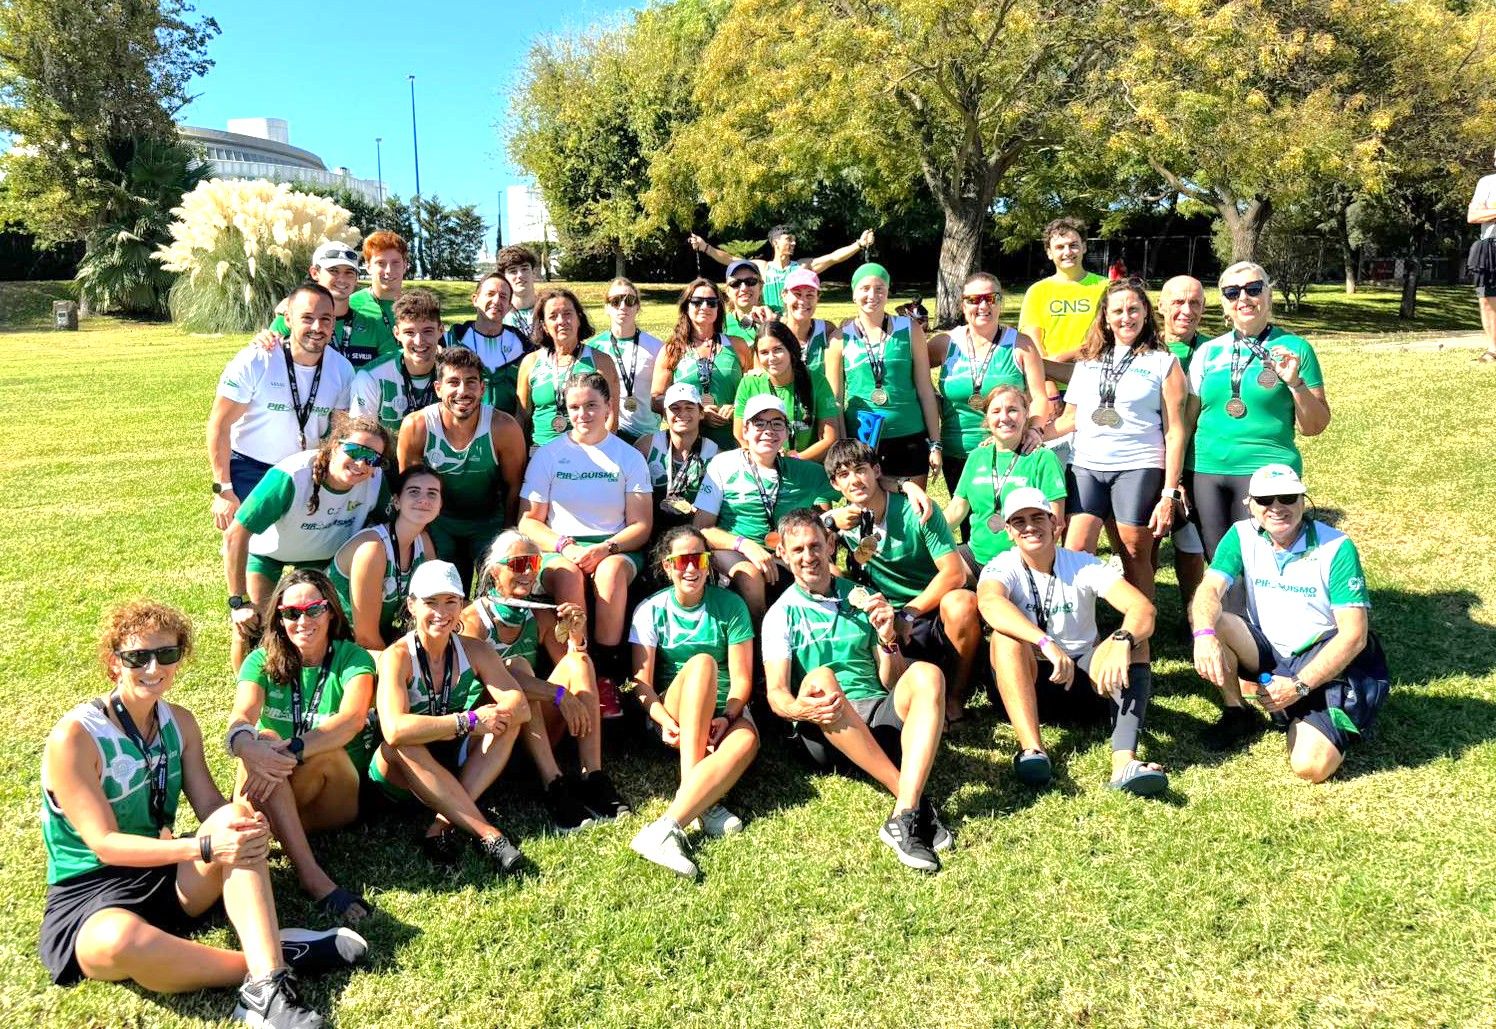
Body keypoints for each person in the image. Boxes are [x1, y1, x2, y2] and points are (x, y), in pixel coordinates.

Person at [39, 600, 366, 1026]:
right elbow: (105, 845)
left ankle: (265, 994)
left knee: (237, 821)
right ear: (114, 662)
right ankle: (274, 962)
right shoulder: (77, 736)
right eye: (138, 657)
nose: (154, 667)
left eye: (167, 654)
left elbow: (211, 807)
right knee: (122, 942)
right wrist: (207, 845)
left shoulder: (180, 723)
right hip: (89, 894)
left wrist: (250, 820)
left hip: (165, 875)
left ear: (181, 658)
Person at [762, 509, 951, 873]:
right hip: (826, 730)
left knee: (927, 673)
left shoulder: (862, 597)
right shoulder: (780, 615)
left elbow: (892, 680)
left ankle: (904, 813)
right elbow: (777, 695)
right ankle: (914, 804)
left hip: (877, 715)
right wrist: (804, 711)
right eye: (797, 549)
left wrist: (888, 638)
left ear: (831, 544)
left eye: (815, 545)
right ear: (783, 555)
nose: (808, 557)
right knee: (820, 679)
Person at [1189, 464, 1388, 775]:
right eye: (1266, 500)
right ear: (1250, 505)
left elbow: (1354, 636)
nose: (1277, 507)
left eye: (1288, 497)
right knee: (1216, 621)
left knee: (1311, 767)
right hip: (1271, 649)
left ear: (1303, 500)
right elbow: (1209, 590)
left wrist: (1298, 687)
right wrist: (1203, 635)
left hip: (1321, 655)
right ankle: (1236, 711)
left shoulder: (1336, 547)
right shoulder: (1241, 534)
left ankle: (1303, 706)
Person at [976, 488, 1166, 794]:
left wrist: (1123, 638)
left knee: (1137, 641)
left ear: (1055, 524)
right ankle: (1032, 751)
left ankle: (1124, 763)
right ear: (1010, 532)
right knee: (1004, 639)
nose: (1030, 527)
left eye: (1038, 517)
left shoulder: (1083, 564)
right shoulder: (1001, 565)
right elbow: (990, 604)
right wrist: (1044, 643)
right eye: (1019, 521)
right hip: (1031, 680)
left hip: (1086, 677)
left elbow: (1143, 608)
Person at [1050, 278, 1187, 667]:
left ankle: (1141, 639)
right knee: (1075, 551)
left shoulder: (1164, 363)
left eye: (1133, 309)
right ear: (1105, 319)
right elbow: (1070, 419)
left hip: (1139, 465)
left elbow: (1175, 431)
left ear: (1146, 313)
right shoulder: (1089, 363)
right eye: (1117, 311)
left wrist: (1169, 492)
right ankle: (1079, 636)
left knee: (1134, 552)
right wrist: (1032, 433)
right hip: (1087, 466)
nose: (1126, 317)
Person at [228, 571, 375, 924]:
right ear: (278, 618)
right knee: (258, 740)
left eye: (313, 609)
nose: (303, 620)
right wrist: (245, 744)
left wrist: (289, 750)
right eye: (291, 613)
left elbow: (351, 720)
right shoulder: (261, 660)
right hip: (275, 787)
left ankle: (310, 876)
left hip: (330, 794)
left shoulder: (352, 658)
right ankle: (303, 869)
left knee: (320, 749)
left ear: (331, 613)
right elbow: (242, 715)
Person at [371, 561, 531, 872]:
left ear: (462, 605)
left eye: (450, 602)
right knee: (403, 742)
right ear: (412, 605)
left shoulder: (476, 649)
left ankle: (443, 823)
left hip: (449, 758)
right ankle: (489, 834)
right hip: (402, 771)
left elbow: (520, 706)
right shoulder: (397, 657)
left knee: (506, 722)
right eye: (431, 602)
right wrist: (467, 722)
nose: (441, 613)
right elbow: (393, 730)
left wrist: (481, 720)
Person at [461, 532, 628, 831]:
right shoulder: (473, 621)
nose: (528, 572)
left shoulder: (539, 616)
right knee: (518, 668)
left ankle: (594, 776)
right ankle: (554, 784)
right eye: (520, 563)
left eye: (534, 563)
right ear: (494, 570)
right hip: (488, 737)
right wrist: (559, 694)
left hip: (532, 732)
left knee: (580, 660)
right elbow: (486, 686)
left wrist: (576, 635)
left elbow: (571, 666)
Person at [627, 526, 760, 876]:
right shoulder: (650, 610)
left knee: (747, 740)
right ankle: (699, 798)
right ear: (667, 566)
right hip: (674, 712)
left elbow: (742, 678)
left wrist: (730, 717)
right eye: (682, 560)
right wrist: (664, 721)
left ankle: (670, 824)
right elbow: (640, 683)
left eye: (699, 559)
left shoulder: (731, 605)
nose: (691, 568)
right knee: (701, 663)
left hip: (723, 713)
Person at [824, 440, 983, 725]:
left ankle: (954, 697)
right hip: (881, 614)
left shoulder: (917, 509)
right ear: (835, 485)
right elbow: (791, 539)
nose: (855, 480)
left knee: (962, 602)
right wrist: (828, 522)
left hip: (928, 609)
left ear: (876, 470)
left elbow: (954, 573)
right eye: (844, 475)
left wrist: (909, 612)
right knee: (833, 579)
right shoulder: (842, 522)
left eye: (861, 470)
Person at [519, 370, 654, 702]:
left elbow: (641, 525)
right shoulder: (548, 455)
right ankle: (577, 669)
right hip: (560, 545)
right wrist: (566, 546)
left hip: (615, 544)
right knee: (568, 574)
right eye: (575, 407)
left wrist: (606, 548)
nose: (583, 415)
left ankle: (604, 677)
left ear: (608, 407)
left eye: (592, 405)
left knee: (608, 573)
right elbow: (528, 521)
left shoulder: (628, 456)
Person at [1187, 262, 1331, 557]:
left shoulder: (1295, 348)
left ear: (1268, 295)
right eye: (1232, 292)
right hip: (1206, 470)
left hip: (1266, 470)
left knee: (1263, 560)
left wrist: (1296, 384)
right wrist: (1175, 479)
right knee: (1219, 563)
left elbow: (1314, 426)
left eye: (1253, 289)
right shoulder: (1208, 351)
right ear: (1224, 305)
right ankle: (1228, 607)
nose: (1243, 298)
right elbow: (1187, 421)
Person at [224, 417, 387, 672]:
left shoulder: (376, 483)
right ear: (334, 445)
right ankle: (246, 696)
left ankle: (315, 682)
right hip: (269, 554)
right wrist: (238, 601)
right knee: (253, 624)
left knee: (325, 624)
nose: (361, 464)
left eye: (373, 459)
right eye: (354, 451)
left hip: (324, 559)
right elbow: (236, 534)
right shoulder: (292, 475)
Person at [209, 282, 355, 531]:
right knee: (248, 552)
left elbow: (338, 431)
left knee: (306, 552)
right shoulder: (257, 359)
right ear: (288, 319)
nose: (317, 327)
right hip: (251, 470)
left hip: (306, 472)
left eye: (326, 319)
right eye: (307, 318)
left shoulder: (342, 369)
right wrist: (223, 489)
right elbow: (219, 425)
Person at [693, 395, 837, 621]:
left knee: (834, 574)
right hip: (734, 550)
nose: (768, 430)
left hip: (786, 553)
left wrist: (904, 484)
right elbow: (702, 528)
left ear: (786, 432)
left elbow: (854, 484)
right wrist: (746, 545)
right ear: (746, 430)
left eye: (777, 423)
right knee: (751, 577)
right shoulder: (723, 464)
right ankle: (759, 642)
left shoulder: (804, 471)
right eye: (759, 423)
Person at [397, 346, 525, 589]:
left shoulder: (503, 428)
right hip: (438, 522)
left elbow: (514, 486)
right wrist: (420, 535)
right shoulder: (417, 426)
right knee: (442, 589)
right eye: (453, 382)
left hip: (488, 521)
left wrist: (507, 538)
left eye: (471, 382)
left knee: (496, 592)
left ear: (483, 388)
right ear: (438, 388)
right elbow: (410, 493)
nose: (462, 391)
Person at [927, 272, 1050, 493]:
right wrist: (933, 397)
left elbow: (1040, 397)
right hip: (957, 453)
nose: (983, 305)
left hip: (1008, 450)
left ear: (1000, 302)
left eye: (991, 298)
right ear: (962, 306)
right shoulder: (944, 343)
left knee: (1011, 523)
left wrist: (1035, 430)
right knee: (968, 525)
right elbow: (908, 373)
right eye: (974, 299)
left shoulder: (1021, 345)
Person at [827, 263, 943, 487]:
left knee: (912, 511)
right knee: (870, 514)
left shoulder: (910, 329)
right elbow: (835, 401)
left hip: (910, 435)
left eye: (880, 288)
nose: (872, 295)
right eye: (865, 288)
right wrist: (844, 447)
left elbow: (925, 390)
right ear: (853, 294)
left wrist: (935, 444)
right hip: (863, 441)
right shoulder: (839, 339)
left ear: (888, 292)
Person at [944, 385, 1068, 576]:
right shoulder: (977, 456)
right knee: (947, 594)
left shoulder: (1043, 458)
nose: (1004, 417)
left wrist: (1032, 563)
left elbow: (1056, 523)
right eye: (995, 411)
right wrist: (921, 536)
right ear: (987, 418)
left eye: (1012, 410)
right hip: (976, 557)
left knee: (982, 599)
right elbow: (956, 511)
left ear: (1026, 414)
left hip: (1021, 562)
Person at [326, 463, 441, 657]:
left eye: (432, 493)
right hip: (339, 645)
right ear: (396, 501)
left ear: (440, 505)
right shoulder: (372, 548)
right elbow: (365, 638)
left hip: (381, 639)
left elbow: (435, 603)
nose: (423, 500)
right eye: (414, 492)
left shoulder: (423, 542)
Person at [1157, 275, 1210, 613]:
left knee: (1191, 543)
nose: (1185, 310)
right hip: (1147, 460)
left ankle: (1194, 612)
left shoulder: (1214, 351)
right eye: (1177, 302)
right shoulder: (1142, 346)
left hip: (1195, 461)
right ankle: (1142, 614)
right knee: (1145, 543)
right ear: (1161, 306)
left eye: (1194, 303)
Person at [652, 279, 754, 450]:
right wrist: (696, 412)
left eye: (712, 302)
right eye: (697, 301)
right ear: (686, 306)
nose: (705, 306)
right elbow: (656, 399)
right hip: (689, 444)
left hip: (735, 442)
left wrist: (737, 407)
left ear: (719, 308)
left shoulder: (738, 346)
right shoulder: (672, 350)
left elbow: (754, 389)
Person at [516, 287, 621, 449]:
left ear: (579, 319)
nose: (561, 321)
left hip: (587, 453)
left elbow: (611, 415)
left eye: (567, 314)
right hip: (541, 453)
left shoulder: (601, 361)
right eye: (553, 316)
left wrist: (601, 453)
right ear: (544, 325)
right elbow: (522, 417)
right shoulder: (530, 362)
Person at [689, 224, 875, 315]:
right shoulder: (762, 267)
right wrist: (705, 247)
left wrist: (858, 244)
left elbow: (833, 258)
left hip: (793, 322)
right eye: (789, 240)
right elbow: (729, 259)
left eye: (794, 240)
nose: (793, 243)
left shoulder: (801, 267)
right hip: (765, 322)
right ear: (775, 242)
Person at [263, 240, 385, 367]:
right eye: (333, 271)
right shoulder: (289, 321)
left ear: (356, 278)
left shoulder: (372, 325)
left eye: (349, 272)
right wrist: (263, 340)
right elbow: (267, 361)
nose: (342, 279)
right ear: (315, 273)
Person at [732, 321, 840, 462]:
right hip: (762, 465)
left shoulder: (817, 381)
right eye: (764, 352)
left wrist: (795, 459)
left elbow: (830, 437)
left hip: (806, 465)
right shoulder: (749, 383)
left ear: (791, 349)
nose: (771, 358)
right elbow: (740, 435)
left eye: (778, 349)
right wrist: (769, 459)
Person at [349, 287, 441, 437]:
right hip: (385, 459)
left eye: (427, 331)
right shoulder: (371, 376)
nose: (419, 341)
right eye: (409, 332)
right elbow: (360, 438)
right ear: (396, 333)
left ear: (441, 331)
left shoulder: (452, 373)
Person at [635, 382, 721, 538]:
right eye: (675, 408)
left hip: (695, 534)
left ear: (701, 413)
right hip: (652, 531)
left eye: (689, 407)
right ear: (664, 414)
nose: (682, 413)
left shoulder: (715, 455)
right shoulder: (646, 446)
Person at [586, 276, 663, 443]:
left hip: (647, 435)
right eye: (615, 301)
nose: (623, 307)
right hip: (606, 434)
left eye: (629, 300)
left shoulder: (657, 348)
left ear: (638, 307)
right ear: (606, 307)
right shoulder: (592, 349)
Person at [444, 272, 530, 415]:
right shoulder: (452, 340)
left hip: (507, 429)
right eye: (490, 294)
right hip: (463, 428)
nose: (496, 301)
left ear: (509, 306)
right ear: (475, 299)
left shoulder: (523, 345)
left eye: (503, 297)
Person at [346, 231, 410, 359]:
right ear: (368, 266)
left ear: (405, 265)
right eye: (381, 263)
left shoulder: (417, 308)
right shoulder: (350, 305)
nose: (388, 271)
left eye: (395, 262)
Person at [777, 266, 842, 383]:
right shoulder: (774, 332)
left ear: (818, 297)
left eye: (810, 295)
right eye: (797, 294)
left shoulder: (827, 331)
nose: (802, 301)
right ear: (784, 295)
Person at [1467, 147, 1496, 364]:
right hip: (1490, 246)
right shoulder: (1486, 183)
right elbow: (1473, 215)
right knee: (1487, 298)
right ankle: (1493, 350)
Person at [720, 259, 775, 346]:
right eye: (735, 283)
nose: (744, 288)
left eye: (750, 281)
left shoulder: (778, 315)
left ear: (760, 287)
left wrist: (773, 324)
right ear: (728, 291)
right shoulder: (721, 325)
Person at [497, 245, 541, 336]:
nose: (520, 275)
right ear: (504, 277)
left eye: (524, 269)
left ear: (534, 272)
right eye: (513, 271)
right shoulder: (499, 315)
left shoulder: (547, 309)